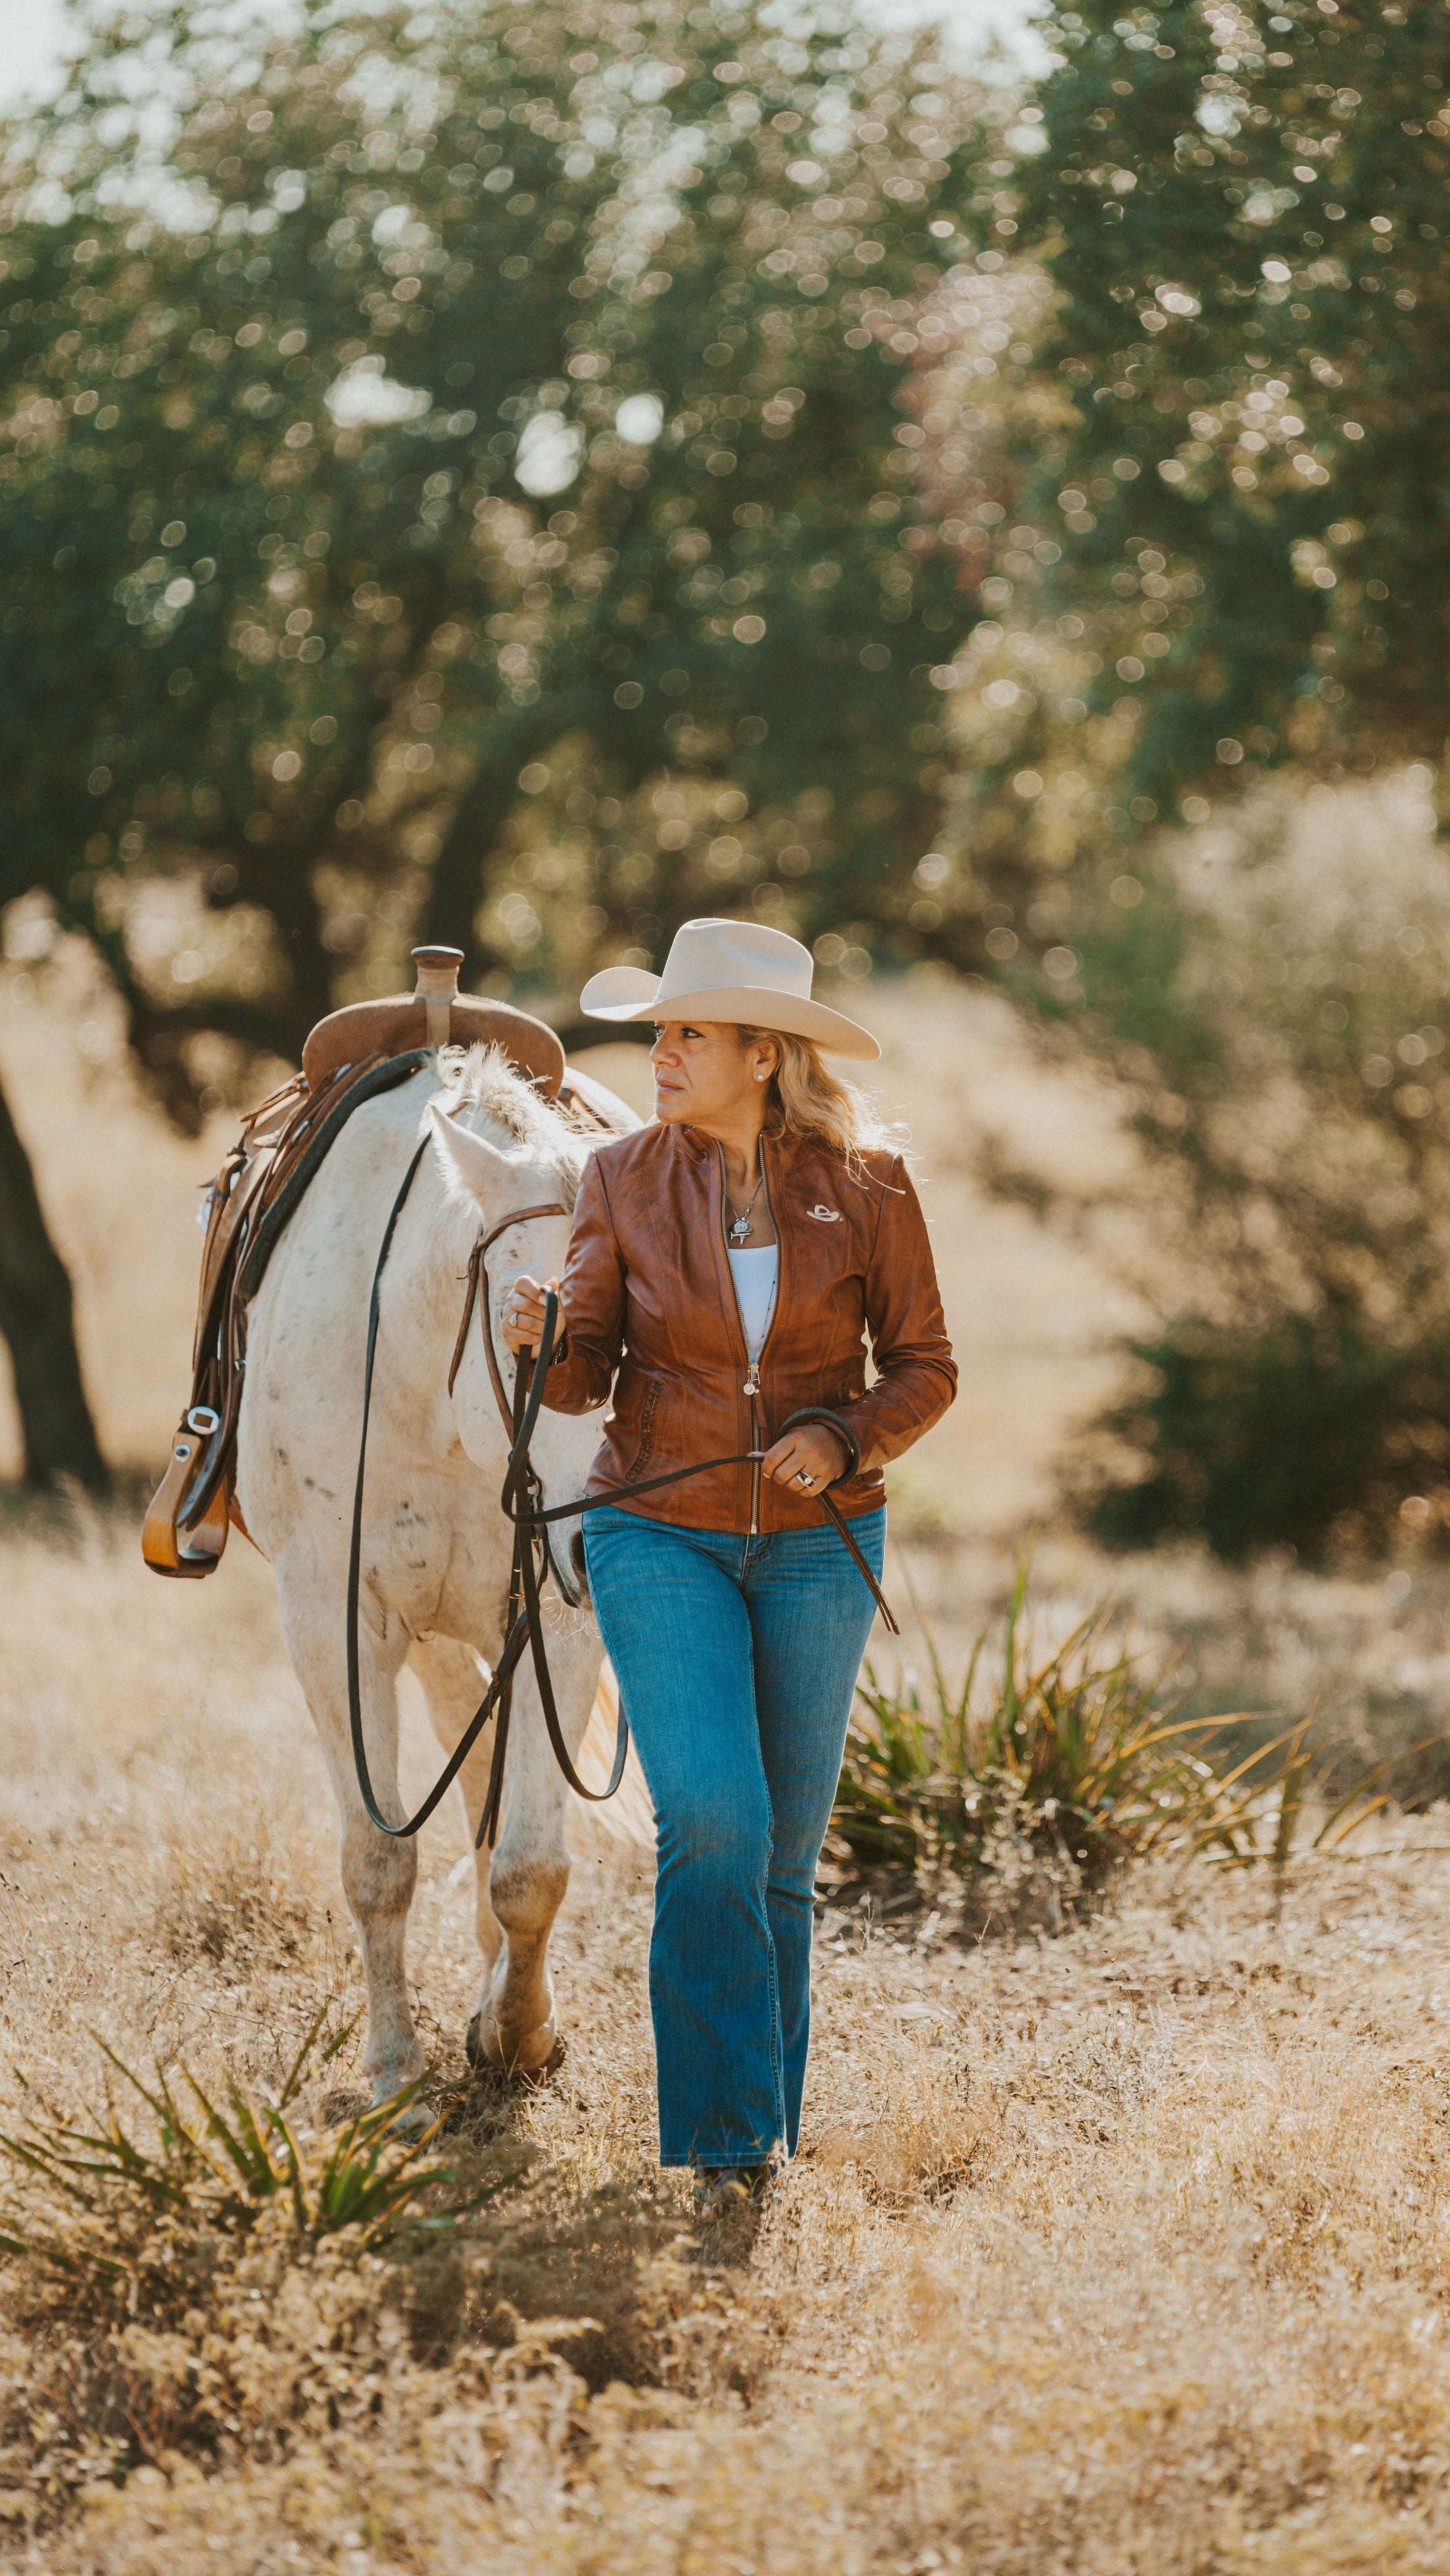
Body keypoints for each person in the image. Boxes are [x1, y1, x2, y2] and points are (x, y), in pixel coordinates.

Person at [502, 917, 957, 2207]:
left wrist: (842, 1432)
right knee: (711, 1818)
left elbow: (926, 1366)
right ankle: (726, 2146)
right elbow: (587, 1381)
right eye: (659, 1028)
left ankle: (760, 2130)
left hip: (821, 1548)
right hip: (657, 1531)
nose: (658, 1051)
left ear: (762, 1053)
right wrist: (549, 1339)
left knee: (776, 1865)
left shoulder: (866, 1186)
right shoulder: (619, 1177)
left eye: (686, 1031)